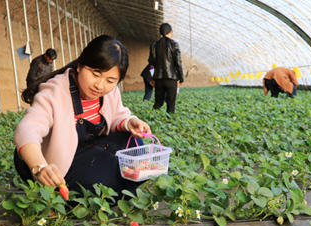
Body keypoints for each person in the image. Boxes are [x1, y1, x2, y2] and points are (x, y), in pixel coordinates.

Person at [14, 35, 151, 198]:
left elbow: (117, 115)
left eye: (110, 80)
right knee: (100, 183)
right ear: (80, 66)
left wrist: (129, 122)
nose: (99, 85)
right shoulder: (55, 92)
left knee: (136, 144)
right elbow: (27, 130)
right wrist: (40, 167)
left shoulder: (110, 92)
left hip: (88, 150)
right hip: (57, 164)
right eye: (95, 74)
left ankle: (113, 183)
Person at [148, 23, 184, 113]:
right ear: (170, 32)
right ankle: (169, 124)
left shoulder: (154, 45)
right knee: (171, 104)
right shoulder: (174, 44)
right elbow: (178, 62)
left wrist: (153, 76)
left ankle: (152, 120)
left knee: (158, 103)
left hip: (158, 79)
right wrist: (181, 78)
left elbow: (151, 61)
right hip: (171, 79)